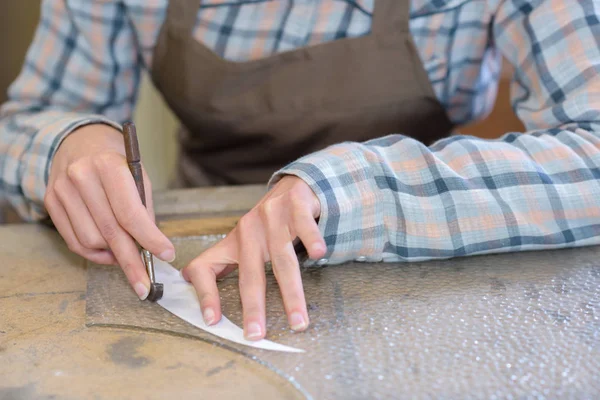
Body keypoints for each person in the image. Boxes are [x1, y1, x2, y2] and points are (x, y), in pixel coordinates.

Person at [1, 0, 599, 341]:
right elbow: (24, 119)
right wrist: (67, 143)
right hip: (204, 248)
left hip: (433, 257)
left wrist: (351, 188)